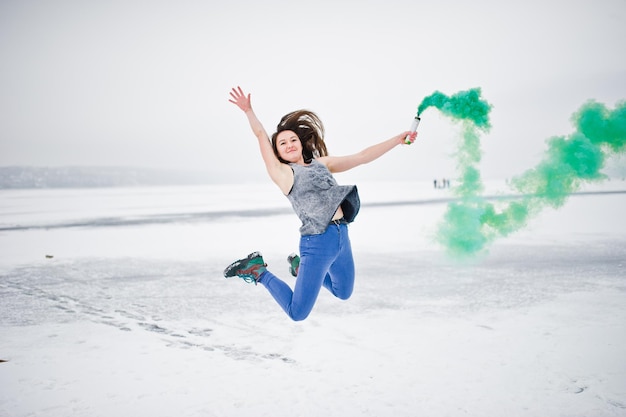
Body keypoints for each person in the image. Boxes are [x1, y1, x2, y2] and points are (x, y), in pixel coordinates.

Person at [224, 86, 417, 321]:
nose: (289, 145)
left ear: (302, 144)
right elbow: (260, 135)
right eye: (282, 144)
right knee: (297, 313)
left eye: (293, 140)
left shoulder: (321, 163)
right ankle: (258, 271)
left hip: (341, 235)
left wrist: (398, 140)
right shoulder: (283, 174)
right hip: (316, 242)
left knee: (343, 292)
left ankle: (299, 269)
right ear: (277, 152)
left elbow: (362, 157)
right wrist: (249, 111)